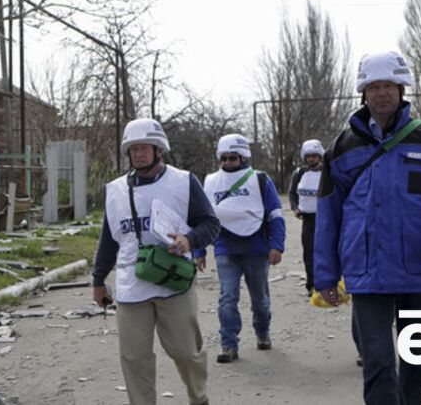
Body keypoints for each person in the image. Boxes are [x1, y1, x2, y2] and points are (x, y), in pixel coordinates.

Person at [314, 51, 421, 405]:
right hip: (367, 271)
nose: (382, 92)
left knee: (417, 360)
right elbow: (328, 214)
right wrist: (325, 275)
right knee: (378, 361)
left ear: (402, 89)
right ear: (363, 93)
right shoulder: (342, 147)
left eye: (389, 85)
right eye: (374, 86)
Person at [91, 118, 220, 405]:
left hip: (173, 281)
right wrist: (98, 280)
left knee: (186, 352)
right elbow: (109, 239)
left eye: (144, 148)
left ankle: (199, 398)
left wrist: (189, 240)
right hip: (131, 284)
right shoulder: (116, 190)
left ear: (159, 150)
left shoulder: (183, 182)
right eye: (133, 149)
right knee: (134, 358)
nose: (138, 154)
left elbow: (211, 223)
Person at [199, 133, 285, 364]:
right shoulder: (210, 182)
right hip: (225, 247)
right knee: (227, 297)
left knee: (260, 300)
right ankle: (229, 344)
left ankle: (262, 331)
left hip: (256, 248)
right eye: (224, 158)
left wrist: (277, 245)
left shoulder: (260, 179)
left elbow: (275, 213)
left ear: (243, 157)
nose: (227, 162)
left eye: (233, 158)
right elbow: (202, 218)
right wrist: (198, 251)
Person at [289, 138, 324, 294]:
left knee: (326, 251)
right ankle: (312, 285)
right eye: (308, 156)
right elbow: (292, 193)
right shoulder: (299, 173)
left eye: (314, 156)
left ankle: (328, 283)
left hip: (325, 219)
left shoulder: (327, 172)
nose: (311, 159)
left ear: (320, 156)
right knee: (309, 253)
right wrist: (295, 208)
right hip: (308, 220)